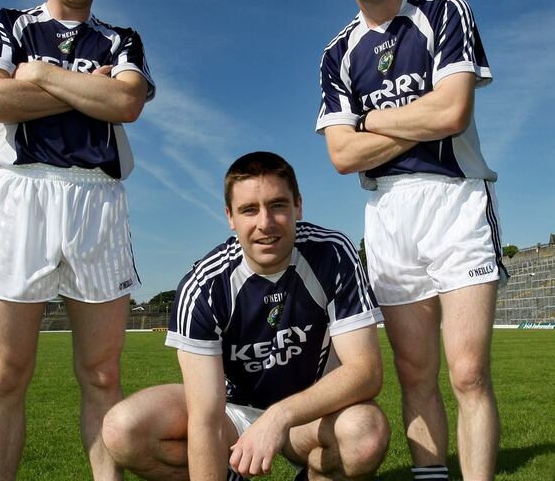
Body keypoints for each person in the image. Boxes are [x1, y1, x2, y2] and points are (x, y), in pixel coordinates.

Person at [315, 0, 507, 480]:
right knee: (415, 372)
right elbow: (342, 157)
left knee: (468, 372)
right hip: (389, 212)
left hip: (456, 201)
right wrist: (400, 125)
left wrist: (371, 121)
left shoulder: (445, 13)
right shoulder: (337, 53)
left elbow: (453, 111)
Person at [0, 0, 154, 481]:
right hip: (23, 195)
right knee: (4, 375)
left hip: (97, 200)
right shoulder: (9, 24)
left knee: (101, 374)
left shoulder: (121, 40)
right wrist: (87, 91)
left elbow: (125, 104)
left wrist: (42, 74)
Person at [102, 152, 389, 481]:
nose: (265, 223)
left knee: (365, 434)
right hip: (233, 412)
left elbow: (365, 372)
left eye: (278, 205)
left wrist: (280, 415)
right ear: (230, 217)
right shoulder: (205, 285)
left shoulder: (332, 253)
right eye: (249, 210)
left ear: (298, 206)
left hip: (312, 412)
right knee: (122, 430)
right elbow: (206, 418)